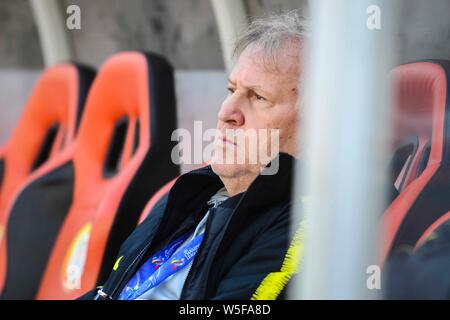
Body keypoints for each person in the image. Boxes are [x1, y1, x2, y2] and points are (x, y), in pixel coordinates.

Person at [80, 10, 306, 300]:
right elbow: (111, 292)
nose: (226, 113)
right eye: (231, 89)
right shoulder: (191, 192)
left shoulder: (300, 225)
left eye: (258, 97)